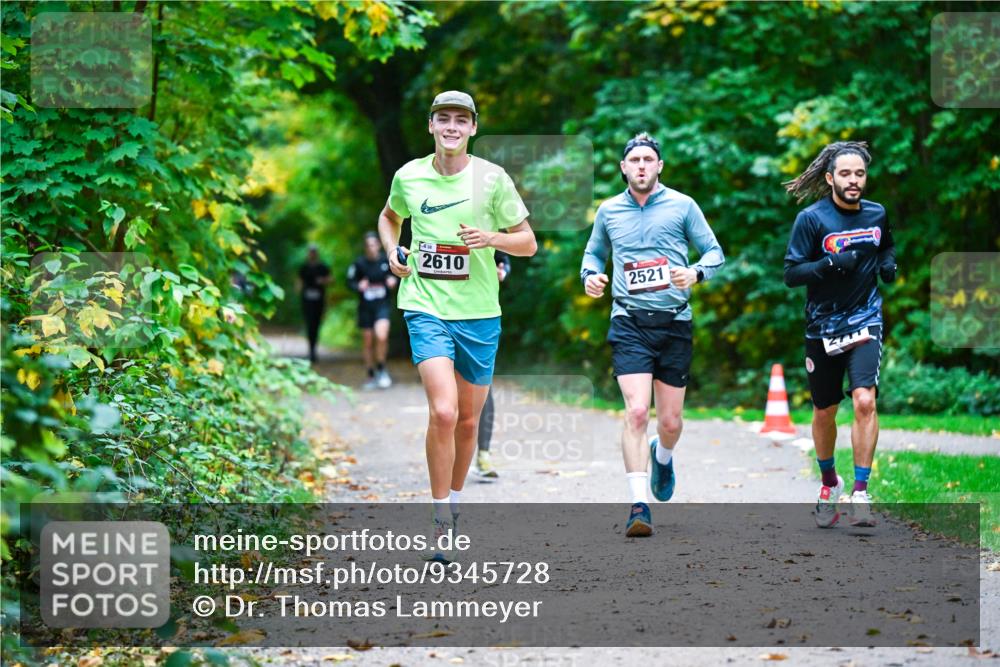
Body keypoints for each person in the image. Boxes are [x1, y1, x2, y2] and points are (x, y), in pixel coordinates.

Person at [377, 91, 537, 558]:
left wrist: (491, 238)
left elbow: (528, 243)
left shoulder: (492, 179)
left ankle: (456, 498)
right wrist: (392, 250)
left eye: (461, 120)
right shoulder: (409, 175)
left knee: (468, 421)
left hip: (480, 313)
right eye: (443, 118)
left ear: (472, 128)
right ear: (431, 125)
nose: (451, 127)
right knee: (444, 412)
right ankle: (440, 515)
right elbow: (389, 218)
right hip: (425, 305)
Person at [581, 132, 724, 538]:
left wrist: (695, 273)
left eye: (648, 159)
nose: (641, 166)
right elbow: (593, 253)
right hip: (629, 321)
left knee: (671, 422)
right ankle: (638, 506)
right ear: (623, 167)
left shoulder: (683, 206)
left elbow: (714, 252)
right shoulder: (609, 211)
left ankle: (663, 456)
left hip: (675, 321)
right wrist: (590, 275)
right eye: (634, 160)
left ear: (659, 166)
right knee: (638, 412)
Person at [783, 141, 896, 529]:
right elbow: (791, 274)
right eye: (845, 174)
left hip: (865, 318)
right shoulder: (811, 219)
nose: (853, 180)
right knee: (824, 410)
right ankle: (830, 483)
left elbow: (886, 246)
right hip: (823, 326)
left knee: (865, 400)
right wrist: (830, 264)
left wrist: (888, 264)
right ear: (830, 178)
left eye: (859, 173)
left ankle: (861, 493)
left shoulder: (877, 213)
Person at [471, 251, 511, 481]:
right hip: (439, 312)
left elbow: (503, 258)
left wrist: (502, 271)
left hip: (479, 313)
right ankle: (449, 453)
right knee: (449, 390)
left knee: (483, 385)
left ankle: (483, 454)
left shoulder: (486, 229)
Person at [347, 232, 398, 389]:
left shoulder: (386, 261)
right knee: (368, 340)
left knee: (381, 336)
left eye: (374, 244)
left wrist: (393, 280)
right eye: (368, 245)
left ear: (379, 245)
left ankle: (381, 369)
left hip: (382, 306)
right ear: (365, 247)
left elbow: (398, 274)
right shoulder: (359, 264)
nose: (371, 248)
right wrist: (358, 286)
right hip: (365, 308)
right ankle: (370, 374)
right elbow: (349, 281)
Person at [298, 244, 331, 364]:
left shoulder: (323, 267)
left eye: (314, 252)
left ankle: (314, 348)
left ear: (316, 253)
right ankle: (311, 349)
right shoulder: (303, 268)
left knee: (316, 324)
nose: (312, 254)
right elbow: (299, 282)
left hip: (319, 300)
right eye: (310, 252)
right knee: (309, 324)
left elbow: (331, 280)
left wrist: (323, 281)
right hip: (307, 300)